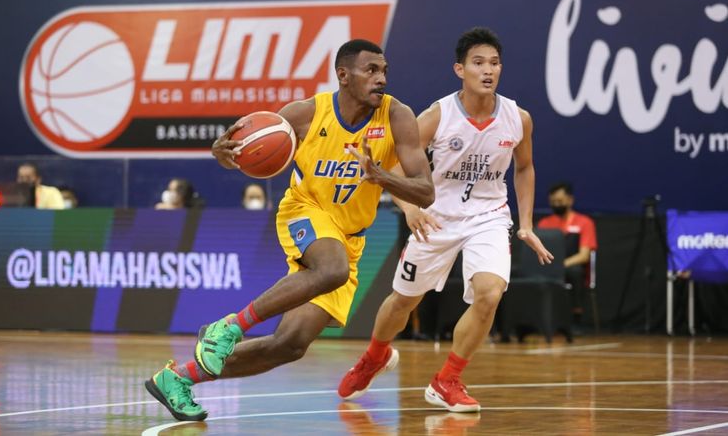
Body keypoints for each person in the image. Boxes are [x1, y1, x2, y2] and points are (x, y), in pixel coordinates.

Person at [145, 39, 435, 421]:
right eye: (371, 70)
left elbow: (426, 191)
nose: (380, 78)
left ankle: (178, 379)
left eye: (384, 71)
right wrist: (226, 154)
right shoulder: (303, 114)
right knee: (332, 270)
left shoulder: (397, 116)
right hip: (306, 209)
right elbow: (244, 147)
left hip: (350, 237)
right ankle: (229, 326)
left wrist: (379, 175)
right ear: (343, 75)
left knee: (290, 344)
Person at [337, 27, 553, 413]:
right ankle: (375, 356)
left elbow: (525, 169)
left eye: (495, 63)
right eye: (478, 63)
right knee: (404, 301)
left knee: (490, 293)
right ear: (459, 69)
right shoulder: (438, 116)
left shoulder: (518, 118)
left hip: (488, 217)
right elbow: (390, 164)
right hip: (436, 217)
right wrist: (409, 207)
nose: (488, 71)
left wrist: (526, 224)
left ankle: (447, 379)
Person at [537, 181, 598, 331]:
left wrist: (561, 265)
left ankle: (576, 319)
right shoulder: (544, 223)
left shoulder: (584, 222)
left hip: (570, 266)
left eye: (560, 201)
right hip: (548, 266)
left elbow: (584, 256)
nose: (556, 204)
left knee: (576, 272)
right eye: (553, 202)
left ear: (570, 200)